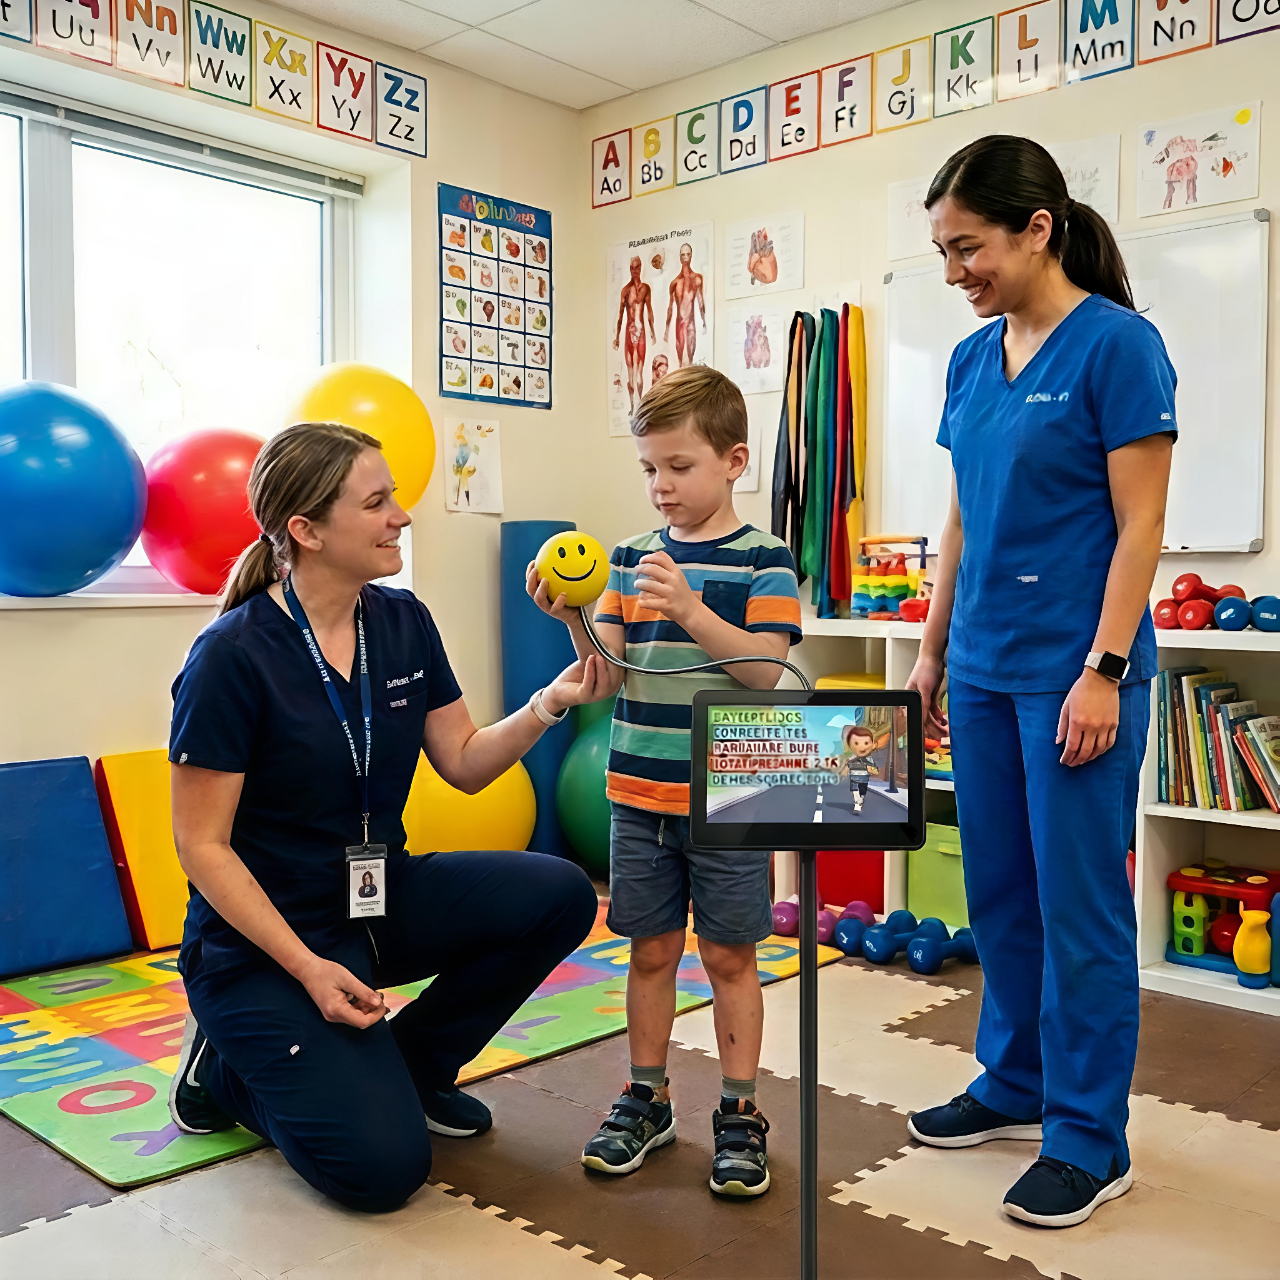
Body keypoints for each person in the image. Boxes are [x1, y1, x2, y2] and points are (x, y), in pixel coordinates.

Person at [167, 422, 603, 1214]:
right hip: (264, 945)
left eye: (395, 497)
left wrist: (551, 703)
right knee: (383, 1171)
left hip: (377, 899)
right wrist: (307, 968)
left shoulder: (402, 621)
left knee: (562, 894)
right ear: (306, 530)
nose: (402, 516)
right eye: (377, 502)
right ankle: (224, 1072)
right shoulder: (231, 656)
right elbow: (202, 847)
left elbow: (465, 763)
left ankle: (415, 1064)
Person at [905, 135, 1176, 1229]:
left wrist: (1103, 669)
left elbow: (1139, 521)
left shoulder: (1117, 346)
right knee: (999, 895)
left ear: (1036, 229)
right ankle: (1012, 1084)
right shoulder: (972, 361)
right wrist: (927, 647)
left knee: (1078, 910)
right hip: (978, 666)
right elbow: (962, 516)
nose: (953, 271)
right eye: (940, 250)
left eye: (966, 247)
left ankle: (1086, 1135)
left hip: (1076, 673)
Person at [528, 365, 802, 1198]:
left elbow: (766, 673)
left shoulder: (767, 559)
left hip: (733, 795)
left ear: (734, 461)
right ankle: (646, 1097)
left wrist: (687, 609)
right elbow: (602, 681)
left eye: (679, 467)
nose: (661, 487)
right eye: (649, 469)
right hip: (638, 795)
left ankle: (741, 1110)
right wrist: (573, 615)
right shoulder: (626, 561)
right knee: (648, 951)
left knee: (728, 954)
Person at [614, 255, 655, 413]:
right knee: (631, 368)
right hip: (629, 332)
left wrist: (653, 333)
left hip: (641, 333)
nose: (634, 270)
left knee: (639, 368)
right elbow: (620, 316)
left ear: (641, 268)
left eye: (637, 267)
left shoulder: (645, 288)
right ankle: (633, 406)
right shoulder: (625, 290)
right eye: (632, 268)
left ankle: (638, 405)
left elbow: (650, 311)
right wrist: (617, 337)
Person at [664, 243, 706, 366]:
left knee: (690, 363)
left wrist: (704, 323)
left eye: (687, 254)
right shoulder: (674, 283)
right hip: (679, 324)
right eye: (682, 255)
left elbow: (700, 301)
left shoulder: (697, 279)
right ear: (679, 257)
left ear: (691, 255)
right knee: (681, 363)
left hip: (691, 324)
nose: (685, 257)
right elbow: (670, 307)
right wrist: (666, 330)